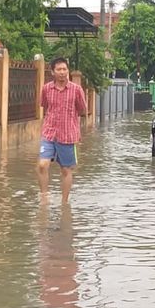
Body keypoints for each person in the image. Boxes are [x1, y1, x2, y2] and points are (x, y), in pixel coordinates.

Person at [37, 57, 87, 203]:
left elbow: (82, 109)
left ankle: (64, 203)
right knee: (42, 165)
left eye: (64, 69)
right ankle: (44, 198)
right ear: (53, 72)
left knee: (66, 170)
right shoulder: (46, 89)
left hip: (67, 135)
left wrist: (76, 129)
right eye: (59, 69)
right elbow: (45, 106)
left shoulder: (76, 90)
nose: (62, 72)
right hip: (49, 133)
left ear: (68, 71)